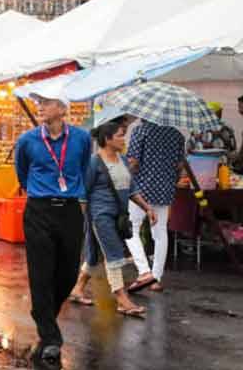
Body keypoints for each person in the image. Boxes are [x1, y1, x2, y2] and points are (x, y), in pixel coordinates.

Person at [14, 92, 92, 370]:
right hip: (39, 209)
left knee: (68, 272)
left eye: (45, 103)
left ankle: (43, 314)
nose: (40, 107)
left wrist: (76, 197)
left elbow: (83, 169)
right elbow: (21, 173)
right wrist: (40, 192)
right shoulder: (27, 140)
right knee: (41, 272)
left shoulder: (82, 138)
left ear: (62, 108)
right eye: (39, 103)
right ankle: (50, 337)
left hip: (69, 209)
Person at [71, 121, 155, 316]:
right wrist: (77, 220)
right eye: (119, 136)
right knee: (114, 253)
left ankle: (77, 289)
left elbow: (132, 188)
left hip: (119, 215)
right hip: (100, 215)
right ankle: (122, 299)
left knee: (94, 255)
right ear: (107, 139)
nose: (123, 139)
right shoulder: (94, 162)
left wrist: (147, 208)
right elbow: (83, 192)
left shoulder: (123, 160)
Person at [117, 119, 184, 294]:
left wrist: (123, 178)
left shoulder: (141, 131)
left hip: (140, 189)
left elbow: (133, 162)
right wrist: (170, 181)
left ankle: (144, 272)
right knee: (160, 231)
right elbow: (179, 165)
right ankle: (157, 278)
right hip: (165, 189)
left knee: (131, 229)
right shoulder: (176, 134)